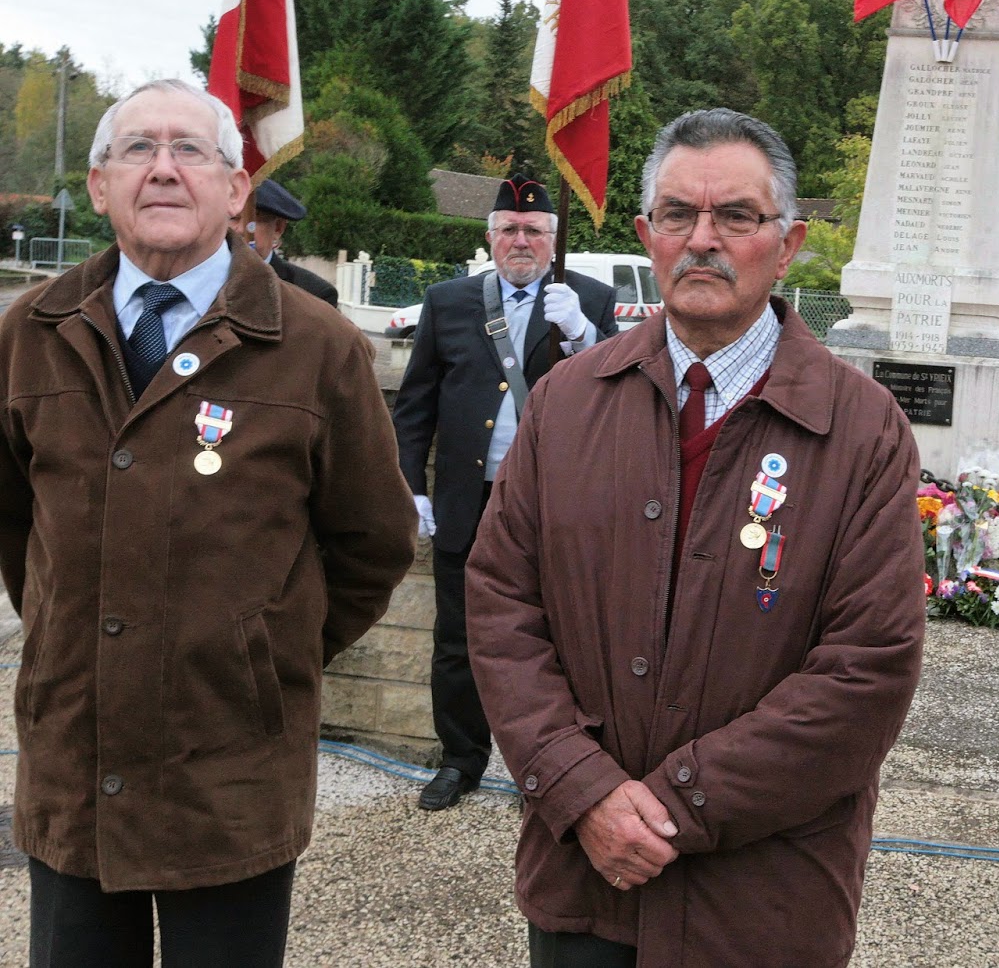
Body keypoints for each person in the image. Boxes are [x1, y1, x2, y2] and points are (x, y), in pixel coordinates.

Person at [465, 108, 926, 967]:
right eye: (679, 215)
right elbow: (501, 608)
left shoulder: (862, 432)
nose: (702, 239)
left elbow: (868, 668)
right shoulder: (567, 403)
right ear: (648, 235)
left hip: (762, 903)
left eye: (737, 217)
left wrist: (676, 806)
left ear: (786, 245)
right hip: (584, 887)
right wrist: (584, 791)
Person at [0, 78, 415, 966]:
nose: (162, 169)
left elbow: (371, 545)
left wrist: (263, 651)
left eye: (190, 149)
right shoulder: (30, 332)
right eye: (136, 149)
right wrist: (72, 634)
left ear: (236, 192)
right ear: (100, 184)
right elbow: (14, 526)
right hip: (75, 755)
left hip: (230, 768)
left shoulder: (316, 348)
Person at [391, 173, 619, 811]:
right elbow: (414, 409)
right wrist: (412, 486)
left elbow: (620, 397)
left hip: (550, 508)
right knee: (457, 637)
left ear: (554, 239)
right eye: (510, 230)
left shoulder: (589, 300)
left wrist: (584, 336)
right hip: (467, 499)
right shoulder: (448, 301)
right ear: (490, 237)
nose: (521, 241)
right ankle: (460, 759)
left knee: (555, 640)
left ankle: (546, 766)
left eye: (534, 231)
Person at [251, 178, 339, 305]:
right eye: (232, 218)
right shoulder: (212, 281)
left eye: (253, 219)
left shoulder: (314, 295)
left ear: (278, 227)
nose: (240, 230)